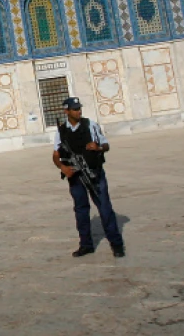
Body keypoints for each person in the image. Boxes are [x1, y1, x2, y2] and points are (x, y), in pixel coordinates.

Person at [51, 97, 125, 258]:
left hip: (93, 172)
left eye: (79, 108)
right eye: (75, 109)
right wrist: (63, 167)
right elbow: (56, 155)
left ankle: (116, 244)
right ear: (67, 111)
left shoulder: (90, 125)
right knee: (81, 210)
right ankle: (86, 244)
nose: (79, 111)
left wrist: (98, 147)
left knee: (104, 208)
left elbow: (106, 145)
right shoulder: (61, 131)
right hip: (75, 176)